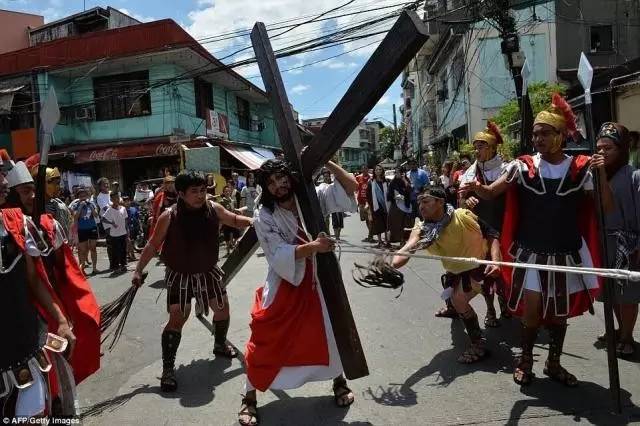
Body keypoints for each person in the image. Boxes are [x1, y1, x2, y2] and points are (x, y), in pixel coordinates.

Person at [462, 93, 602, 387]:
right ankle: (525, 360)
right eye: (535, 134)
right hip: (532, 253)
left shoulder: (582, 168)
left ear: (561, 135)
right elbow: (492, 193)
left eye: (544, 133)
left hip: (565, 251)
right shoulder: (522, 166)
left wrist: (601, 174)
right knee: (533, 311)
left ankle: (553, 363)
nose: (537, 139)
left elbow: (601, 210)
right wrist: (475, 188)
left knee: (559, 315)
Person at [238, 159, 357, 426]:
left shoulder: (312, 197)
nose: (278, 185)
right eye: (270, 183)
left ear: (290, 177)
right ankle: (249, 398)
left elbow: (350, 186)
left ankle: (339, 381)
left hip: (321, 277)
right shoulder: (265, 215)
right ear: (265, 189)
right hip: (286, 282)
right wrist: (313, 246)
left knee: (329, 331)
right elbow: (277, 254)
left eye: (281, 178)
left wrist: (325, 159)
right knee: (265, 338)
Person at [131, 171, 253, 393]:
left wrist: (254, 222)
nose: (200, 195)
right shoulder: (168, 216)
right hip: (180, 276)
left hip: (208, 272)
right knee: (178, 317)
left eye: (203, 190)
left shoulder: (214, 209)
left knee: (222, 309)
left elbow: (234, 219)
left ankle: (219, 343)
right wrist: (138, 270)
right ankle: (168, 368)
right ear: (181, 193)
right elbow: (151, 245)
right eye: (194, 192)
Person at [5, 160, 101, 392]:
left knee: (57, 376)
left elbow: (63, 269)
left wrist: (64, 313)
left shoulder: (49, 225)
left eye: (33, 190)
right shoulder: (6, 229)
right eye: (25, 191)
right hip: (13, 316)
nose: (32, 197)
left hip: (46, 309)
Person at [0, 151, 78, 419]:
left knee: (37, 413)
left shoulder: (18, 226)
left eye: (3, 174)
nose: (2, 181)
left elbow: (34, 280)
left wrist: (63, 321)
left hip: (24, 343)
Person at [391, 187, 502, 364]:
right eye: (419, 202)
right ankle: (473, 329)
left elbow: (492, 233)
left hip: (481, 262)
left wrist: (495, 261)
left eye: (426, 201)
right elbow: (400, 258)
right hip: (455, 269)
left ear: (441, 202)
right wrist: (396, 258)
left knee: (464, 296)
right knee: (451, 287)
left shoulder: (463, 215)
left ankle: (480, 338)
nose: (421, 206)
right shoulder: (422, 228)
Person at [592, 122, 640, 358]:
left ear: (621, 150)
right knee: (611, 292)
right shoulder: (597, 174)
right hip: (604, 241)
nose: (602, 153)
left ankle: (627, 336)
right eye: (599, 148)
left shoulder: (634, 176)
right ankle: (618, 329)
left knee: (628, 293)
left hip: (628, 244)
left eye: (608, 148)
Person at [458, 121, 510, 327]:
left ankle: (505, 303)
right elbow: (460, 199)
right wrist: (466, 201)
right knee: (484, 272)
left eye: (481, 146)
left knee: (505, 269)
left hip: (504, 226)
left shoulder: (506, 168)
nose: (476, 151)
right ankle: (490, 309)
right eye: (476, 147)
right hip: (481, 228)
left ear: (492, 148)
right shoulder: (471, 171)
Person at [70, 187, 99, 274]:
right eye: (81, 195)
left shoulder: (91, 203)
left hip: (92, 228)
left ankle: (94, 268)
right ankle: (82, 269)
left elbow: (96, 215)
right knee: (83, 249)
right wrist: (80, 206)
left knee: (93, 248)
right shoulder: (76, 204)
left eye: (84, 195)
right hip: (82, 229)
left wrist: (91, 206)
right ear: (78, 197)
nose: (83, 197)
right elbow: (75, 217)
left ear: (87, 195)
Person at [102, 192, 129, 272]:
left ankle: (123, 264)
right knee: (115, 251)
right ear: (111, 199)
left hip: (123, 232)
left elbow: (125, 220)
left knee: (123, 249)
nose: (116, 200)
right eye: (114, 198)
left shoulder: (123, 208)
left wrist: (127, 231)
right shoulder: (109, 210)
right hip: (114, 234)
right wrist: (111, 223)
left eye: (117, 198)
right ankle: (115, 266)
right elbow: (103, 219)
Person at [387, 165, 413, 244]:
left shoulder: (406, 180)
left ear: (402, 173)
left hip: (405, 205)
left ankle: (403, 240)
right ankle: (393, 238)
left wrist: (404, 179)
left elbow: (410, 190)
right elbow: (389, 194)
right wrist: (395, 197)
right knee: (393, 222)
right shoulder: (393, 182)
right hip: (395, 205)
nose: (397, 174)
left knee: (404, 223)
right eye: (396, 172)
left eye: (399, 172)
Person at [367, 164, 390, 248]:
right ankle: (380, 241)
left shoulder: (386, 181)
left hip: (386, 206)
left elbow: (389, 194)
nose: (378, 171)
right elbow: (368, 196)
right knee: (378, 224)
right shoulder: (371, 182)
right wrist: (370, 207)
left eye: (380, 169)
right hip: (376, 206)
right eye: (376, 170)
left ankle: (387, 240)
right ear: (374, 171)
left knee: (386, 224)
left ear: (382, 171)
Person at [319, 168, 345, 240]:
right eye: (325, 176)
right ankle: (328, 235)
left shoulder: (333, 184)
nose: (326, 177)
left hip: (335, 205)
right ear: (323, 177)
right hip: (325, 206)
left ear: (329, 176)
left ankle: (337, 236)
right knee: (326, 221)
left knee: (338, 222)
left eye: (327, 176)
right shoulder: (321, 185)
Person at [220, 184, 241, 256]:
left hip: (233, 219)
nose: (227, 192)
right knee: (227, 236)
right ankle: (228, 251)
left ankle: (234, 245)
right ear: (223, 192)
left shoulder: (232, 200)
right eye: (226, 191)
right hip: (226, 221)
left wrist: (237, 212)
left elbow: (234, 209)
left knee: (237, 234)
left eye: (228, 191)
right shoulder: (222, 201)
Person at [356, 164, 373, 243]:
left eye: (366, 168)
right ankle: (370, 234)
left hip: (369, 202)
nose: (364, 170)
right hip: (361, 201)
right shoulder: (358, 177)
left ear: (368, 169)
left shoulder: (372, 177)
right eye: (363, 169)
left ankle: (371, 235)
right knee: (366, 219)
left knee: (370, 219)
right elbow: (356, 189)